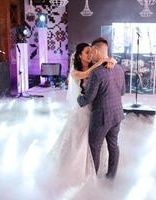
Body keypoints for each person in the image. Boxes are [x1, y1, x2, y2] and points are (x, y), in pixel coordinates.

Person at [49, 42, 116, 185]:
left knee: (96, 142)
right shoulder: (75, 71)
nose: (90, 55)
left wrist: (112, 61)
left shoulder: (95, 65)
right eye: (87, 52)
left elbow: (108, 64)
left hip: (97, 109)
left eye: (91, 52)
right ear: (79, 55)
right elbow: (86, 74)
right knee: (79, 140)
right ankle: (78, 170)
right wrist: (102, 62)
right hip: (82, 109)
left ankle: (95, 169)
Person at [77, 37, 126, 179]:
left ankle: (93, 179)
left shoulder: (96, 72)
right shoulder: (119, 68)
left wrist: (78, 99)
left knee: (94, 147)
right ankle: (111, 177)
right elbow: (122, 92)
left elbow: (88, 98)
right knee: (113, 145)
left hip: (102, 117)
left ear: (97, 51)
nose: (91, 55)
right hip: (117, 114)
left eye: (92, 52)